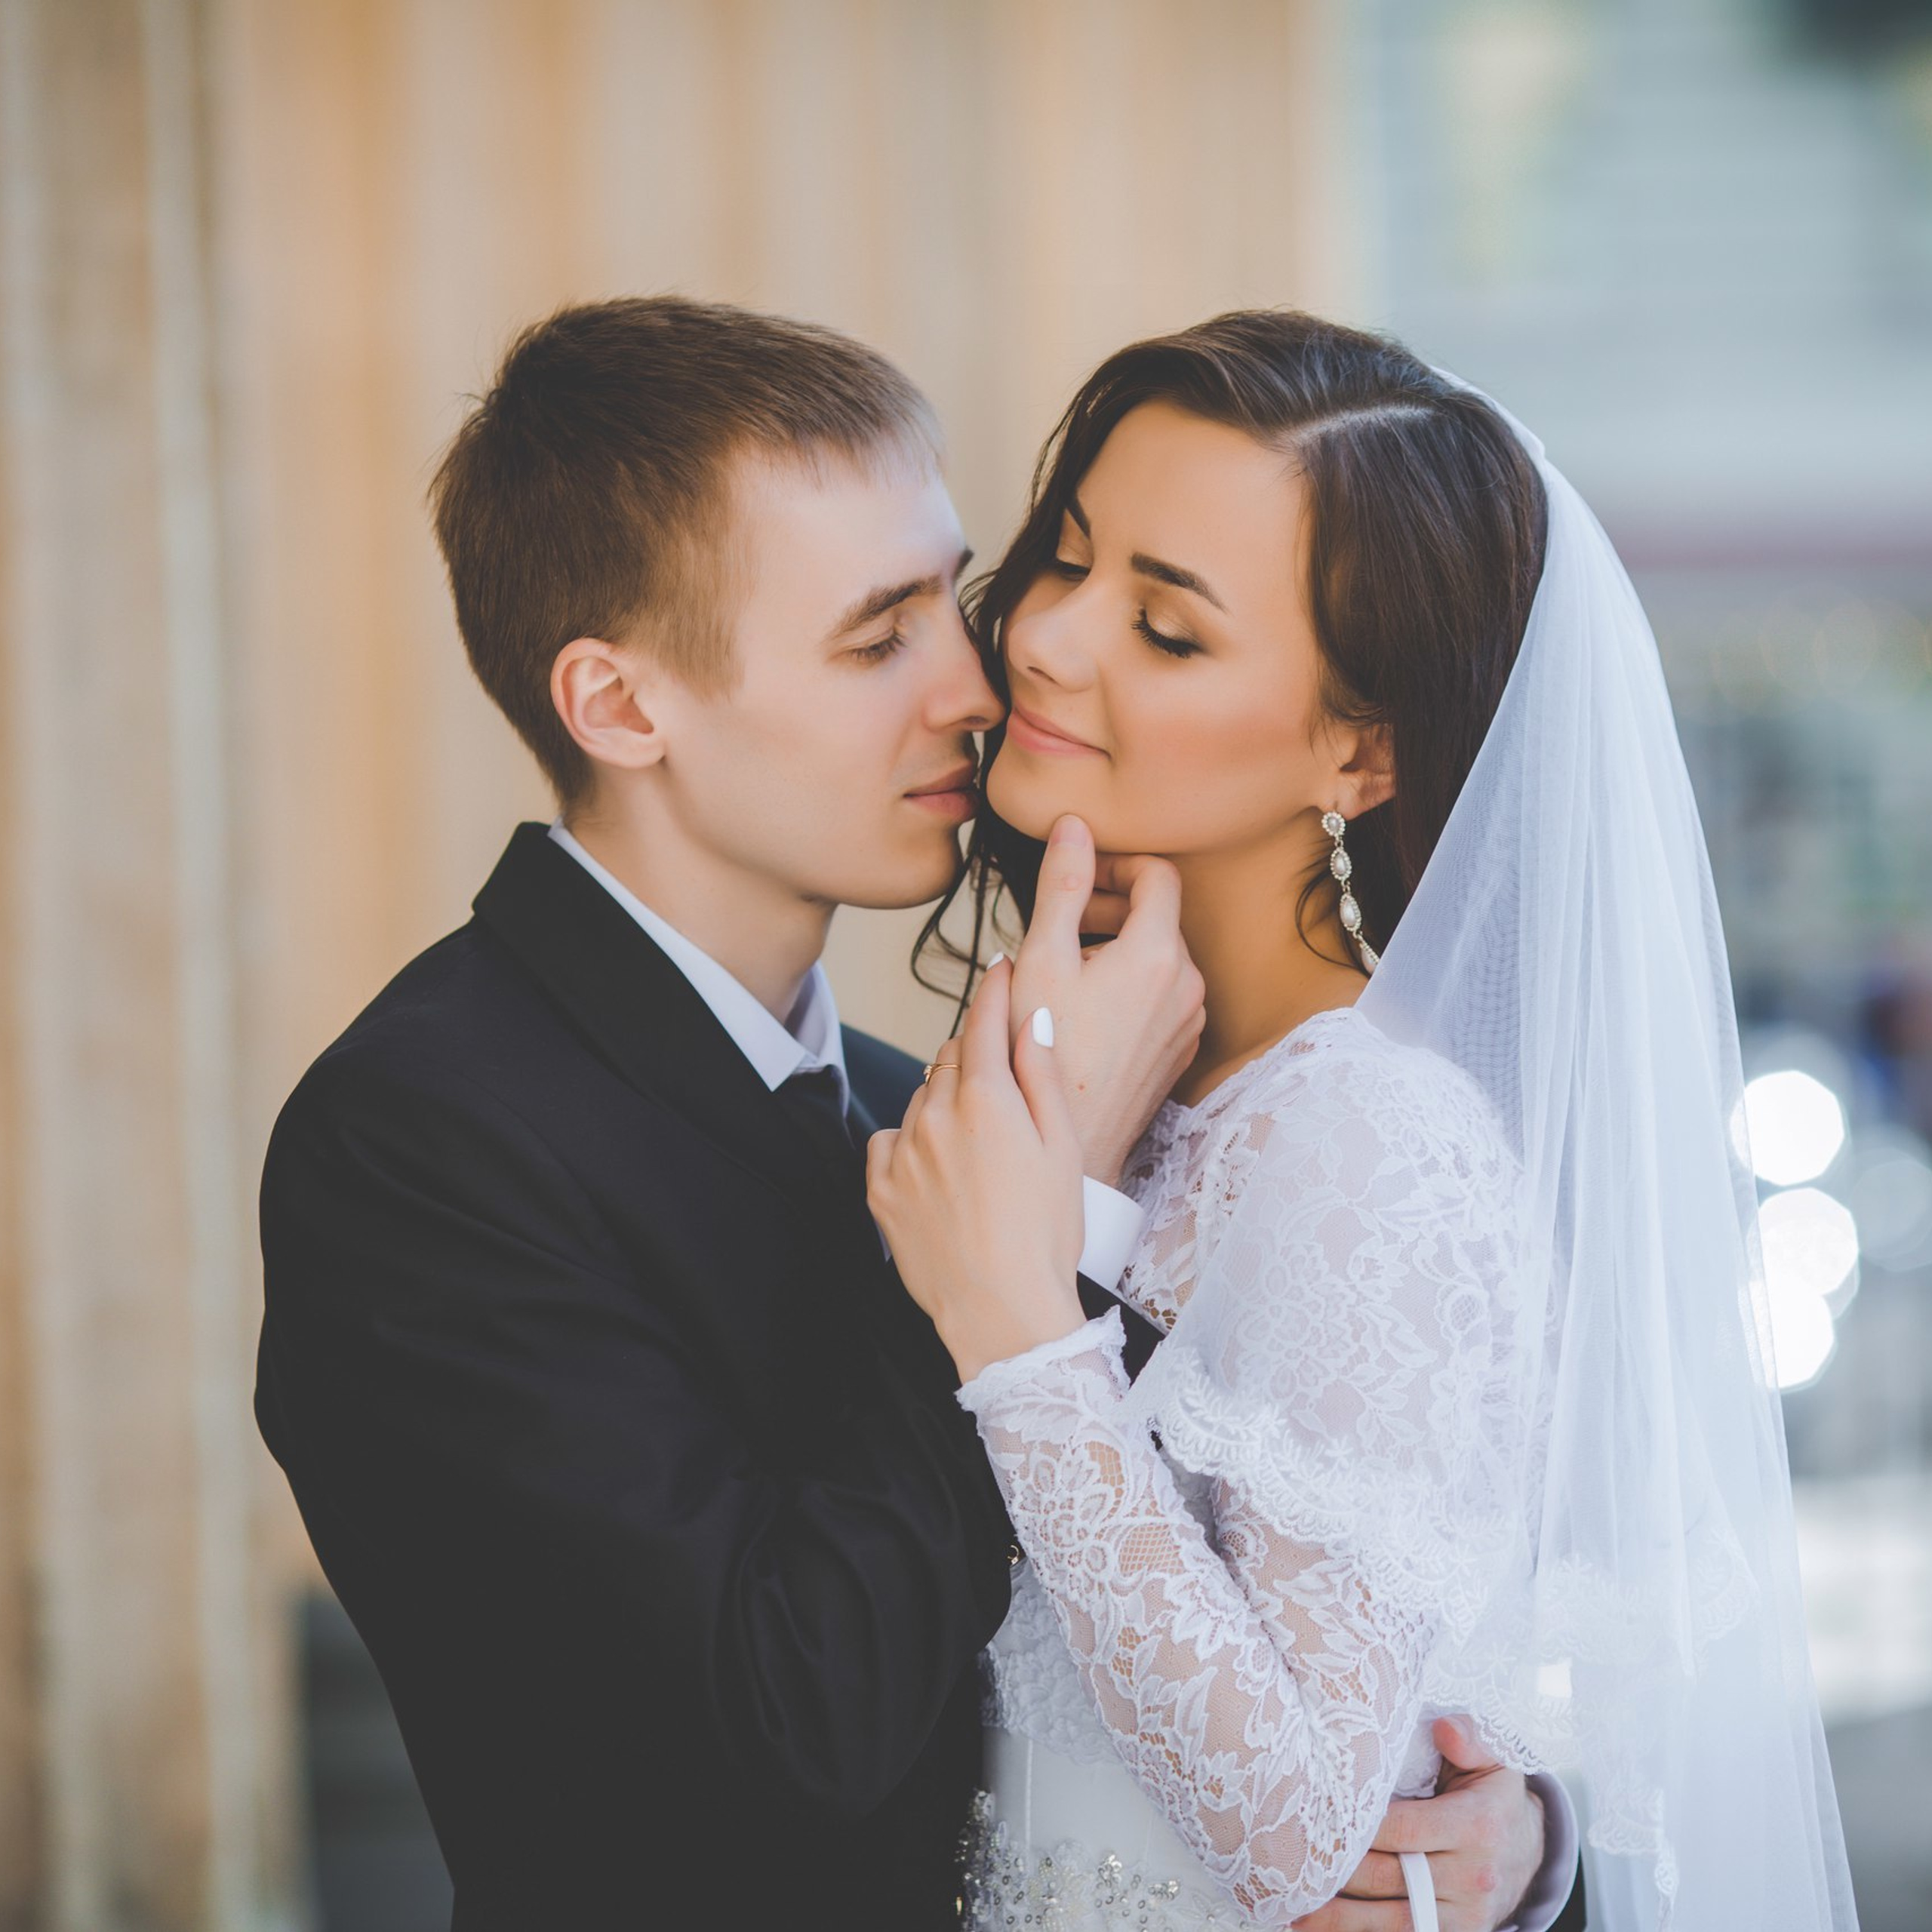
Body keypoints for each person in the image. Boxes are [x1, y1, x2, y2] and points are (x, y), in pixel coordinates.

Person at [255, 296, 1569, 1931]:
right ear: (618, 704)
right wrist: (1047, 1237)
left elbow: (1289, 1638)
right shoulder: (423, 1142)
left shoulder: (933, 1103)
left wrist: (1486, 1822)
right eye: (877, 637)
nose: (986, 671)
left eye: (953, 598)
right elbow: (779, 1727)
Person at [870, 312, 1857, 1930]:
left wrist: (1013, 1326)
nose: (1043, 637)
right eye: (1066, 555)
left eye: (1164, 627)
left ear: (1357, 748)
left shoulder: (1362, 1139)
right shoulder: (1148, 1089)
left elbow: (1302, 1818)